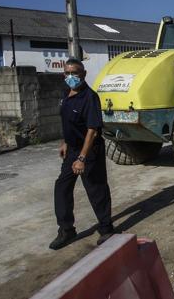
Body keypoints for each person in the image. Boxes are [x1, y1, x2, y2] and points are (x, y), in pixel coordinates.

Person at [49, 58, 114, 250]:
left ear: (83, 74)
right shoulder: (65, 93)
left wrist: (82, 158)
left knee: (96, 189)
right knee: (62, 187)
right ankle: (66, 229)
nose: (71, 77)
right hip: (72, 149)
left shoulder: (90, 97)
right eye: (67, 73)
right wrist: (65, 142)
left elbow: (92, 130)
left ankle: (106, 228)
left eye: (75, 73)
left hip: (90, 150)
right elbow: (67, 122)